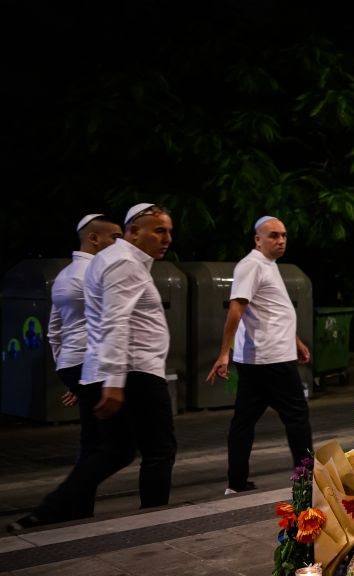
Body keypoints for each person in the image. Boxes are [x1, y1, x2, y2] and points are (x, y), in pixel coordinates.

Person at [9, 203, 177, 531]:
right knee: (159, 450)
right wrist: (113, 382)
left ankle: (50, 510)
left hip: (108, 370)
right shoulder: (125, 263)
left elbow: (59, 327)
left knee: (113, 451)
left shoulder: (108, 262)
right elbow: (115, 321)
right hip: (135, 371)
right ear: (133, 232)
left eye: (169, 231)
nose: (167, 238)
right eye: (159, 230)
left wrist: (78, 373)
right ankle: (156, 522)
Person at [207, 215, 312, 495]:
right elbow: (236, 309)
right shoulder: (251, 265)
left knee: (244, 421)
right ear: (258, 239)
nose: (280, 241)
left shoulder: (268, 265)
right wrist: (223, 354)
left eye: (283, 235)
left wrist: (297, 341)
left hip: (265, 357)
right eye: (273, 236)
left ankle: (236, 482)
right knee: (297, 417)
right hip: (272, 359)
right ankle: (306, 478)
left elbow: (271, 312)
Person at [47, 213, 123, 466]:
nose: (120, 244)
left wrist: (69, 371)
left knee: (92, 439)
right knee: (109, 445)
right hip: (93, 365)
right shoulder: (96, 273)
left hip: (71, 363)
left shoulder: (63, 276)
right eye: (115, 237)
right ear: (93, 238)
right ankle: (72, 500)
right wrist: (89, 373)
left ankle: (79, 501)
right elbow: (109, 325)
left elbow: (54, 331)